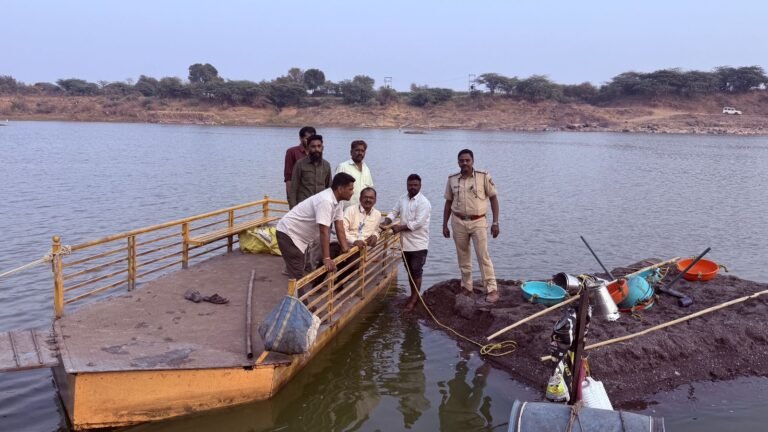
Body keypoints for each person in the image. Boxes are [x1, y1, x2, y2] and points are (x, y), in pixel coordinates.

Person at [442, 149, 501, 303]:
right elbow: (448, 202)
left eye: (467, 160)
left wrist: (495, 222)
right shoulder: (452, 179)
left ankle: (492, 289)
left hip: (479, 221)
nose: (465, 163)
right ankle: (467, 287)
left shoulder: (483, 177)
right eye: (462, 160)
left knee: (483, 255)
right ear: (458, 162)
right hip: (458, 221)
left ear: (472, 161)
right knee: (463, 256)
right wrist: (444, 224)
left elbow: (494, 198)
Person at [276, 172, 355, 281]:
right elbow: (324, 231)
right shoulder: (326, 201)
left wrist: (345, 248)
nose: (353, 192)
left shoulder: (338, 201)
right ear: (340, 189)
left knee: (298, 272)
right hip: (288, 233)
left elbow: (339, 226)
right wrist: (326, 258)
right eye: (350, 189)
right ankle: (299, 298)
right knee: (297, 276)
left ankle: (297, 296)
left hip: (299, 238)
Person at [381, 174, 431, 311]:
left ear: (420, 186)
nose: (412, 187)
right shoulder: (402, 198)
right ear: (406, 185)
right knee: (409, 271)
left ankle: (415, 298)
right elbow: (393, 212)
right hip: (405, 244)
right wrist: (386, 222)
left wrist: (399, 227)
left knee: (416, 271)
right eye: (410, 185)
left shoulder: (424, 202)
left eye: (415, 185)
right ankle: (412, 294)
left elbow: (418, 223)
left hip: (418, 244)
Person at [327, 187, 382, 286]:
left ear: (375, 200)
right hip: (341, 242)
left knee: (354, 263)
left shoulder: (377, 214)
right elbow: (341, 230)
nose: (368, 200)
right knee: (328, 254)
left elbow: (376, 229)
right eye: (365, 197)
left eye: (371, 198)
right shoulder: (350, 210)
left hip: (359, 248)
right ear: (360, 198)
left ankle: (338, 284)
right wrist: (354, 241)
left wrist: (375, 235)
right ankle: (316, 283)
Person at [288, 134, 331, 209]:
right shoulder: (300, 164)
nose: (316, 149)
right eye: (313, 146)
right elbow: (293, 189)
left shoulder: (326, 165)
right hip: (304, 207)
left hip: (321, 207)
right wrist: (293, 209)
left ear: (322, 148)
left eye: (319, 146)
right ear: (308, 148)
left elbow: (329, 188)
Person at [335, 140, 374, 209]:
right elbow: (335, 190)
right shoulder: (343, 167)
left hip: (362, 210)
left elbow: (370, 189)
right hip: (344, 211)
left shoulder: (366, 169)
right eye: (357, 150)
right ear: (351, 152)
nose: (360, 153)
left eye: (362, 151)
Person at [284, 126, 316, 201]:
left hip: (313, 195)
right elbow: (288, 176)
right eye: (307, 139)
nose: (310, 141)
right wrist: (291, 198)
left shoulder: (315, 153)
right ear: (300, 138)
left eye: (312, 139)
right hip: (299, 196)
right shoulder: (292, 152)